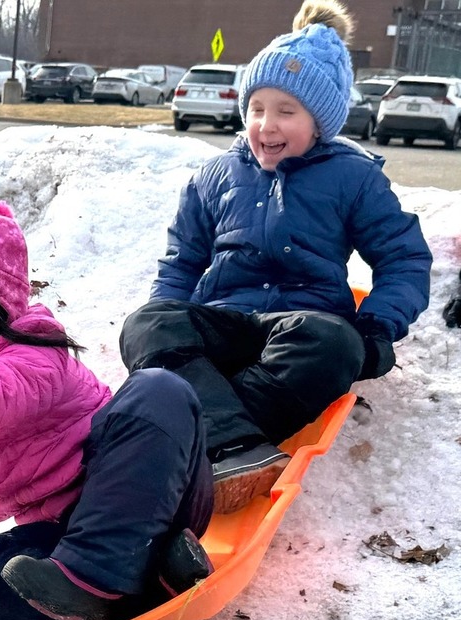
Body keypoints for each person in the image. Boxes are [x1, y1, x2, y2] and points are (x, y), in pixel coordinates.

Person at [119, 0, 432, 515]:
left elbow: (404, 259)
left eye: (286, 111)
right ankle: (230, 445)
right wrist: (167, 333)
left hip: (300, 327)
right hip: (223, 322)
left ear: (320, 121)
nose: (266, 124)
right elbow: (181, 265)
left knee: (334, 343)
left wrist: (377, 328)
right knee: (145, 323)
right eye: (257, 108)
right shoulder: (214, 177)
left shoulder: (353, 178)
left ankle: (209, 441)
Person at [0, 200, 215, 620]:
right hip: (63, 534)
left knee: (158, 389)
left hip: (154, 496)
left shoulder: (35, 357)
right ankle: (147, 579)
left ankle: (96, 579)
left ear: (0, 306)